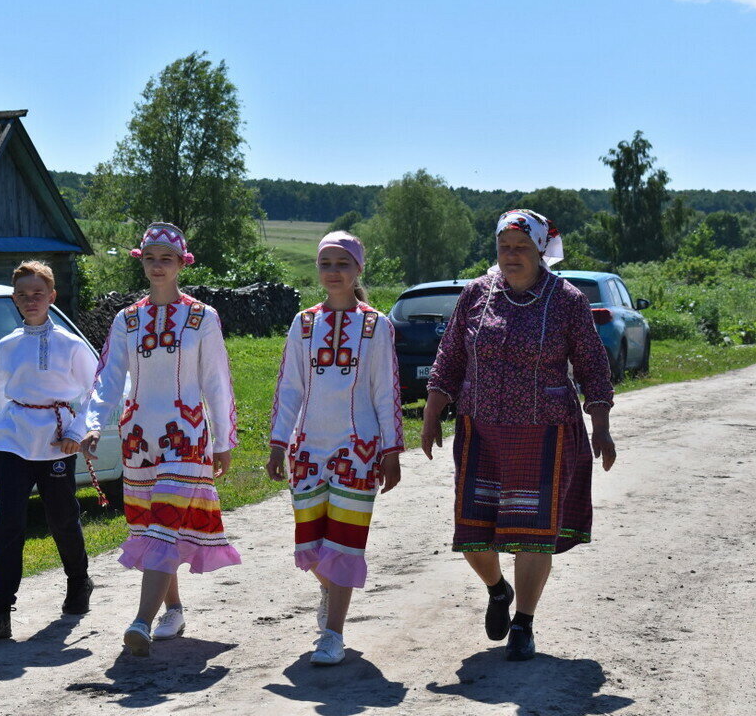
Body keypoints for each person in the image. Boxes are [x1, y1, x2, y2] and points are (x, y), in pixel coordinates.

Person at [420, 209, 617, 661]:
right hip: (480, 430)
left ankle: (524, 624)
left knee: (532, 532)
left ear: (540, 249)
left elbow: (592, 365)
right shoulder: (476, 293)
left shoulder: (566, 299)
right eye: (505, 247)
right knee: (473, 534)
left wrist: (601, 426)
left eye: (521, 247)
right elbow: (449, 356)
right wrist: (432, 415)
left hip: (543, 431)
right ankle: (497, 589)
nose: (511, 256)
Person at [80, 222, 240, 657]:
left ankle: (140, 622)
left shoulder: (202, 317)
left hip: (186, 436)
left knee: (164, 522)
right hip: (138, 440)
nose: (156, 266)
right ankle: (173, 609)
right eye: (149, 258)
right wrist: (92, 422)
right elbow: (108, 378)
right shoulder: (126, 319)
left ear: (181, 264)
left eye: (165, 259)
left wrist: (224, 437)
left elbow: (216, 380)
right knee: (151, 527)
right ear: (141, 261)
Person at [266, 231, 404, 666]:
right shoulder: (304, 323)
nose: (333, 272)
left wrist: (391, 450)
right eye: (326, 264)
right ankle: (328, 591)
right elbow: (290, 387)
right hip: (306, 450)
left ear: (359, 269)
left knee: (344, 542)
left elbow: (386, 390)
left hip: (358, 449)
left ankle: (333, 634)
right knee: (312, 544)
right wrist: (277, 443)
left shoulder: (375, 325)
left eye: (342, 264)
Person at [0, 260, 97, 639]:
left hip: (57, 440)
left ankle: (79, 580)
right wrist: (12, 424)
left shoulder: (71, 345)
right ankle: (0, 610)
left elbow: (97, 391)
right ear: (15, 299)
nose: (31, 301)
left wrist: (79, 431)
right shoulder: (8, 344)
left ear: (52, 297)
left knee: (62, 518)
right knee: (9, 521)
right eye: (23, 295)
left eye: (38, 294)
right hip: (14, 439)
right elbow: (2, 392)